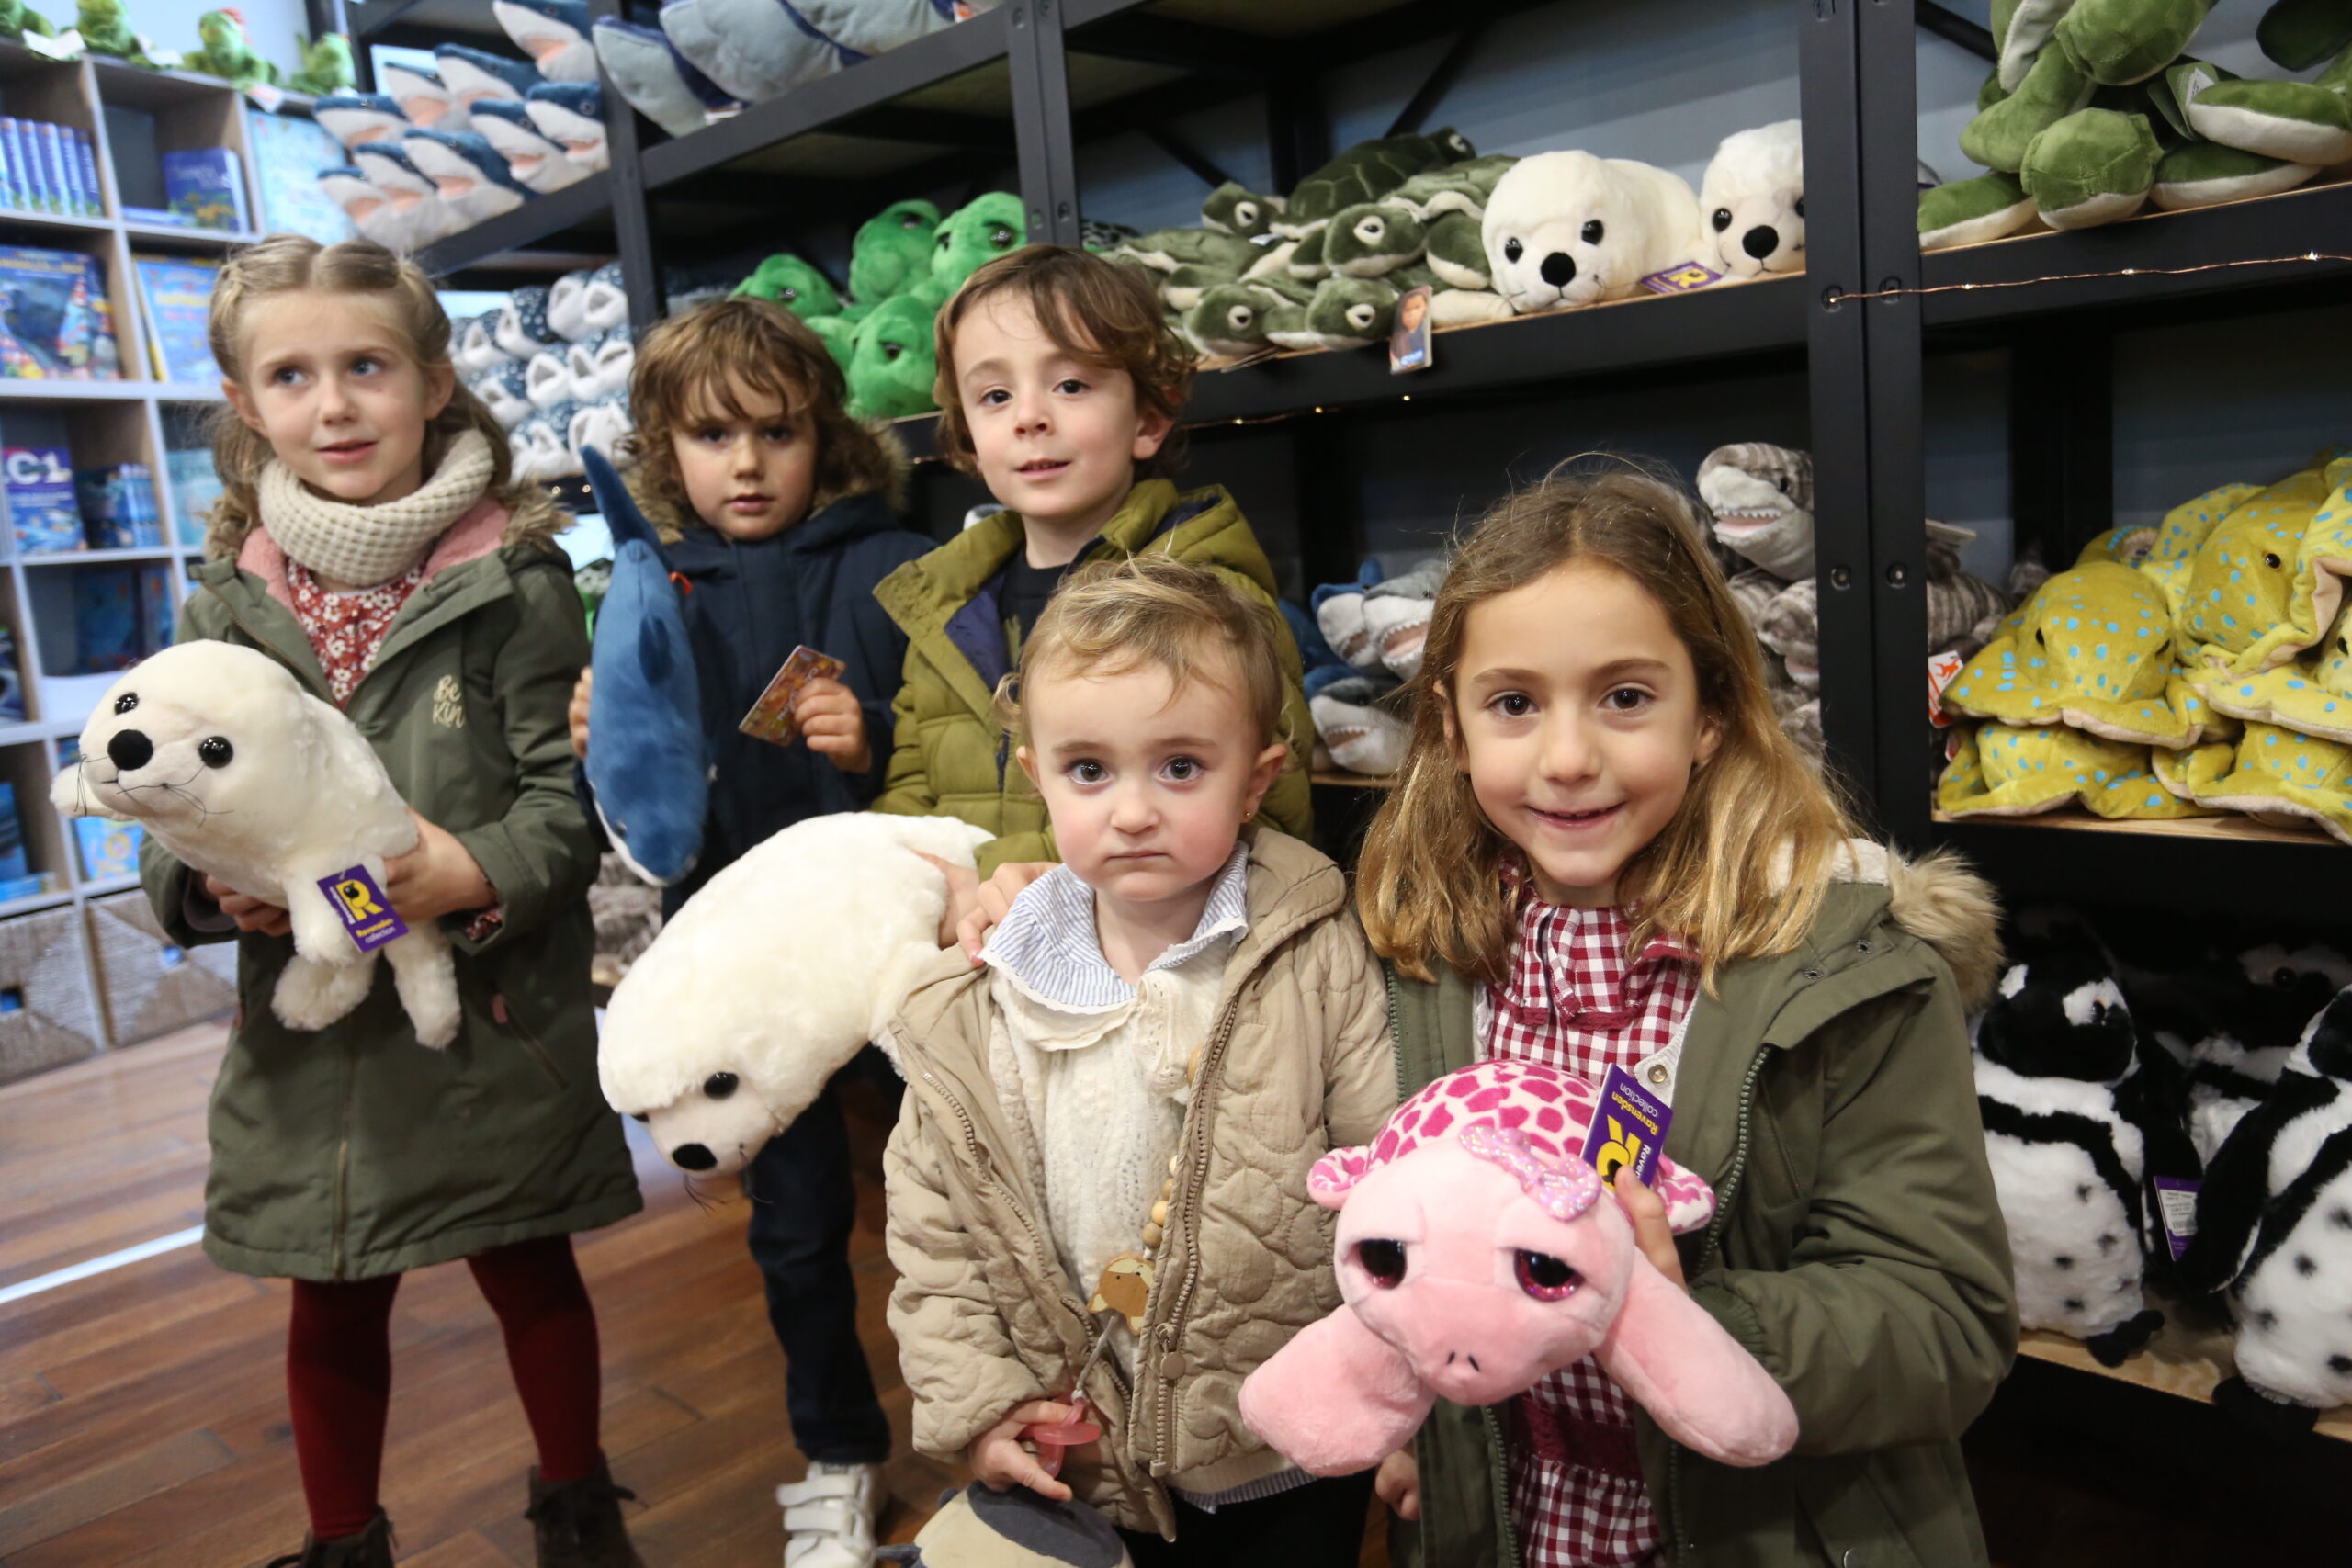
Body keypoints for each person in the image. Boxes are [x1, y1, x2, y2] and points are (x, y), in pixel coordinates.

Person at [1353, 465, 2018, 1568]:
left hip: (1766, 1528)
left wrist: (1685, 1315)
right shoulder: (1414, 959)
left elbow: (1943, 1322)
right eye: (1514, 704)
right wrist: (1422, 1417)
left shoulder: (1847, 972)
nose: (1569, 759)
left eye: (1625, 698)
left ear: (1708, 713)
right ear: (1451, 727)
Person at [138, 235, 642, 1568]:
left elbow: (566, 804)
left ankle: (579, 1512)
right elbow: (169, 798)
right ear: (247, 407)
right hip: (314, 1049)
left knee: (528, 1266)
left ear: (433, 380)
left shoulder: (518, 581)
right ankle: (340, 1542)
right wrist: (212, 888)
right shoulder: (223, 606)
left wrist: (471, 872)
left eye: (366, 366)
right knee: (332, 1292)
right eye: (291, 376)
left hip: (487, 1026)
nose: (335, 405)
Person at [880, 556, 1396, 1567]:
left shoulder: (1315, 953)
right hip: (1086, 1442)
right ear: (1035, 773)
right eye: (1089, 770)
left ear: (1256, 781)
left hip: (1285, 1434)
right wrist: (983, 1403)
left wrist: (1394, 1385)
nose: (1130, 811)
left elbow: (1383, 1172)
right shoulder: (988, 992)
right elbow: (936, 1227)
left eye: (1180, 767)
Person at [567, 294, 933, 1568]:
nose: (746, 463)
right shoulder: (643, 589)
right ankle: (837, 1454)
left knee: (970, 1189)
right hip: (742, 957)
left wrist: (876, 731)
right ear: (663, 449)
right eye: (712, 436)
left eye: (776, 431)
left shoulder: (894, 563)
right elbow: (635, 800)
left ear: (823, 434)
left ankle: (1026, 1421)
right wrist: (600, 741)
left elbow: (974, 739)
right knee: (793, 1225)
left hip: (896, 934)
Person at [868, 243, 1316, 939]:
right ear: (968, 436)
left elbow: (1270, 817)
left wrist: (991, 881)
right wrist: (914, 887)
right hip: (971, 950)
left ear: (1148, 420)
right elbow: (908, 799)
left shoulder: (1209, 601)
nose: (1029, 417)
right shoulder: (943, 603)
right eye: (995, 396)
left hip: (1145, 959)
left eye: (1071, 385)